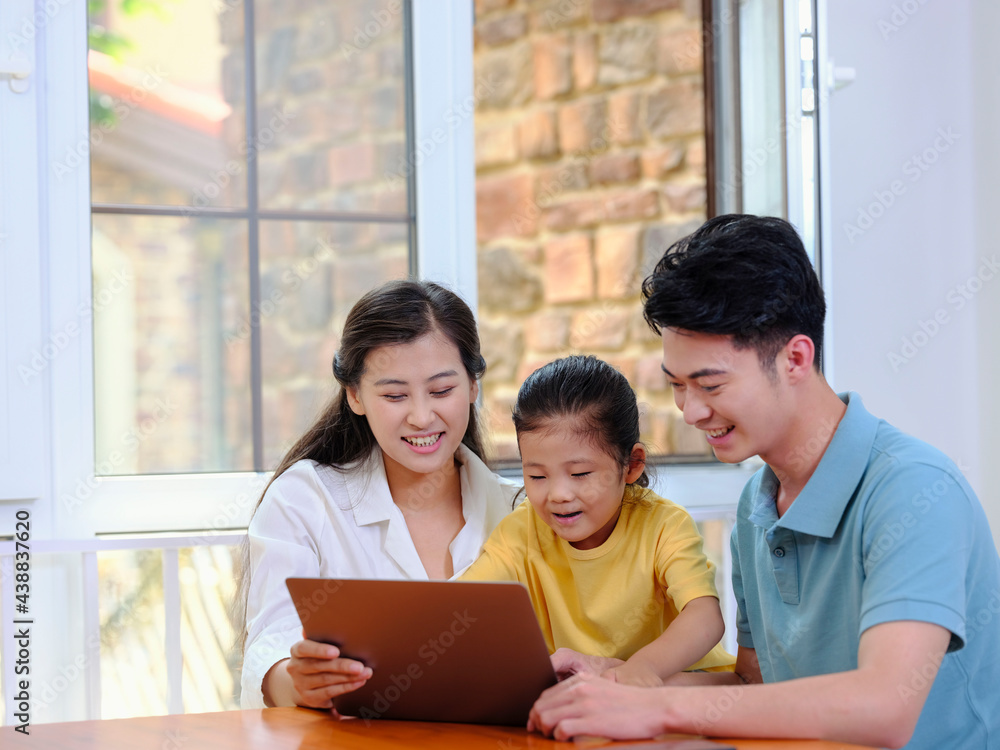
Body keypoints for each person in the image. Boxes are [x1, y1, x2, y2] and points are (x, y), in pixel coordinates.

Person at [527, 215, 1000, 749]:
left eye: (710, 384)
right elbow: (753, 686)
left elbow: (883, 708)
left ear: (796, 357)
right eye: (677, 385)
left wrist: (654, 704)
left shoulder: (912, 490)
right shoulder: (759, 501)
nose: (690, 411)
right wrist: (617, 683)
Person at [240, 279, 520, 710]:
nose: (422, 416)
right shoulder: (305, 500)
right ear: (354, 395)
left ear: (473, 386)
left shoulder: (520, 510)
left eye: (443, 390)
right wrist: (298, 681)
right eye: (394, 395)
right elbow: (271, 651)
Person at [461, 355, 734, 686]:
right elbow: (460, 605)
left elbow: (704, 617)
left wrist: (636, 670)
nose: (558, 494)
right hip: (587, 699)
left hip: (686, 685)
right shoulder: (520, 533)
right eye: (536, 475)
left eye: (579, 474)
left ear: (631, 465)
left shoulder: (664, 526)